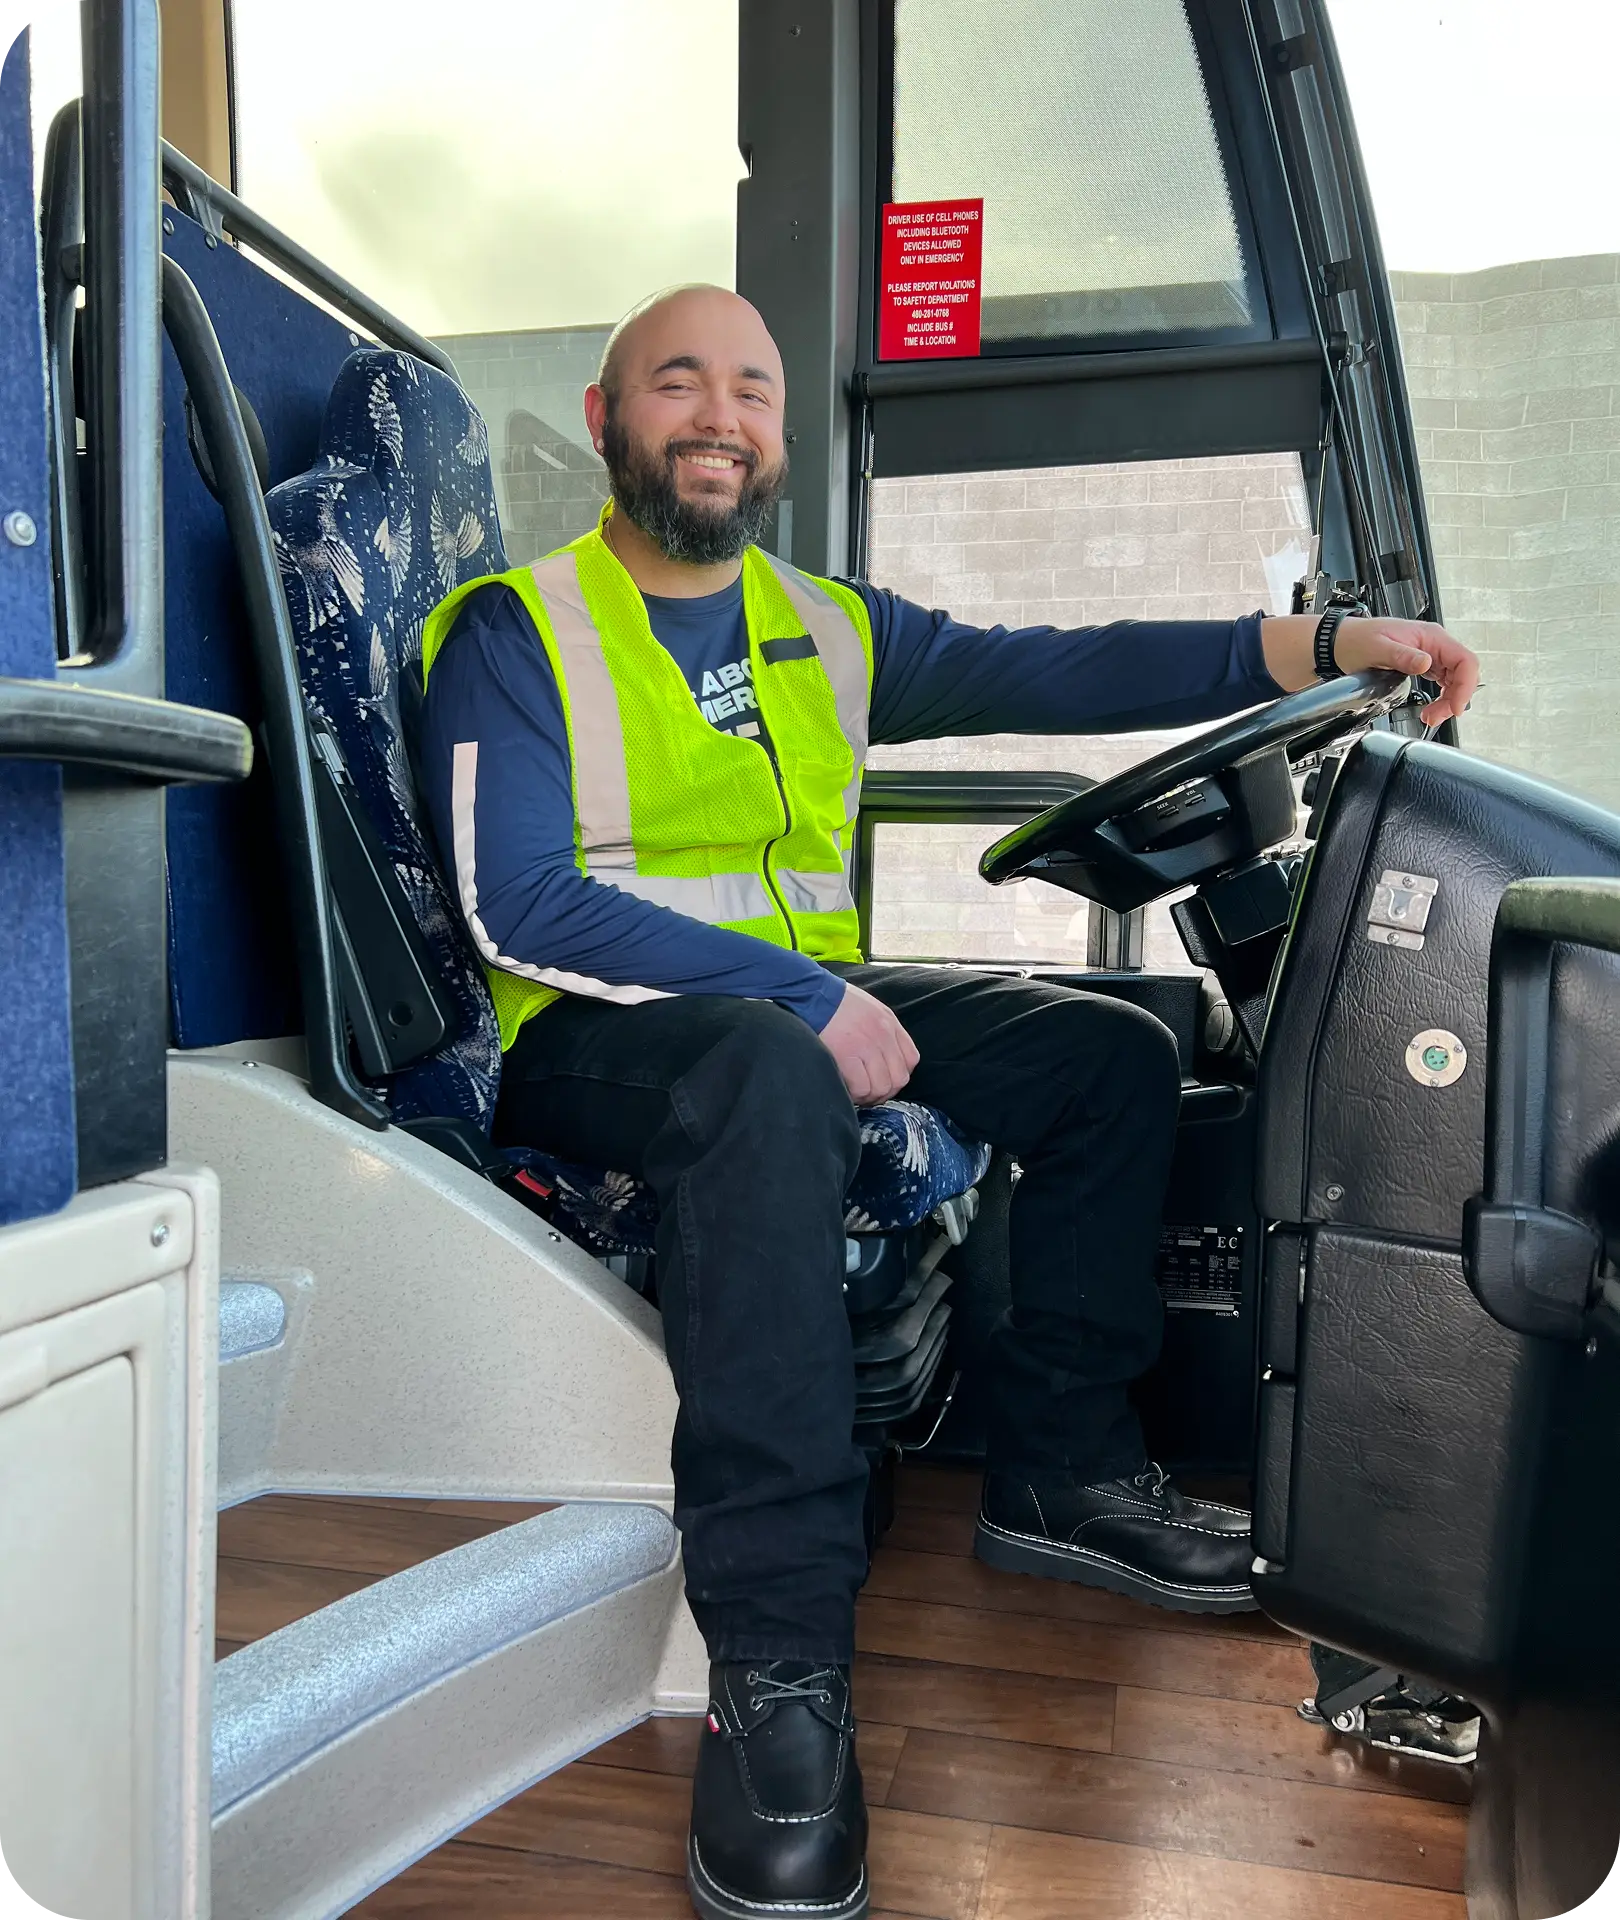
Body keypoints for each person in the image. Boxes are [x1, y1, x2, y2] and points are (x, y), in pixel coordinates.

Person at [418, 283, 1479, 1920]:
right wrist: (800, 998)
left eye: (754, 390)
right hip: (596, 1042)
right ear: (609, 414)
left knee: (1111, 1050)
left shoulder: (828, 625)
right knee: (771, 1071)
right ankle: (777, 1667)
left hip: (788, 1011)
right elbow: (521, 905)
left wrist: (1331, 646)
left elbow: (1066, 664)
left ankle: (1061, 1472)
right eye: (679, 382)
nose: (721, 415)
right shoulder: (517, 627)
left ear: (775, 436)